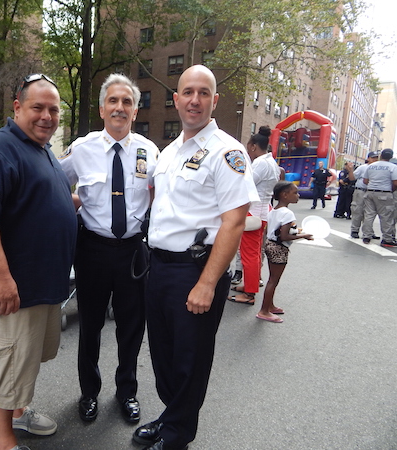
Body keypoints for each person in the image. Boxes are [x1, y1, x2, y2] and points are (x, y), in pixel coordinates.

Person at [133, 65, 258, 450]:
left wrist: (206, 282)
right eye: (188, 92)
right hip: (160, 268)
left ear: (214, 100)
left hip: (196, 269)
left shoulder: (227, 152)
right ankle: (172, 416)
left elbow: (234, 222)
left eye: (204, 93)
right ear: (176, 99)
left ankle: (177, 436)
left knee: (190, 359)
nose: (195, 100)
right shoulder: (169, 152)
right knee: (164, 354)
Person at [0, 74, 77, 450]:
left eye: (53, 110)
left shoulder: (41, 150)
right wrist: (0, 277)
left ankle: (18, 413)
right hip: (11, 288)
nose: (47, 116)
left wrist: (67, 204)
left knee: (23, 361)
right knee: (3, 364)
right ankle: (3, 440)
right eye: (37, 108)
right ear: (17, 107)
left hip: (41, 286)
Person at [59, 73, 158, 424]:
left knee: (132, 327)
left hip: (133, 250)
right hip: (92, 249)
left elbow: (159, 197)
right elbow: (55, 184)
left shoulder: (150, 151)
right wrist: (78, 203)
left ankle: (126, 392)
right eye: (113, 101)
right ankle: (89, 392)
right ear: (102, 109)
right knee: (90, 325)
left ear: (135, 110)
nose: (119, 107)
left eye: (127, 102)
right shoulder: (82, 149)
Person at [227, 125, 280, 305]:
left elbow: (245, 185)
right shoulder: (271, 163)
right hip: (263, 210)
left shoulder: (259, 163)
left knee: (249, 254)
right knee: (255, 253)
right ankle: (250, 285)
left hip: (253, 212)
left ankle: (249, 293)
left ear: (252, 146)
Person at [258, 181, 313, 323]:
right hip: (279, 248)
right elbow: (284, 236)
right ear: (284, 195)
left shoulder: (273, 211)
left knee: (272, 278)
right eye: (295, 192)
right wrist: (304, 236)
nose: (298, 195)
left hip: (270, 245)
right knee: (273, 280)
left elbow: (272, 230)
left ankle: (270, 305)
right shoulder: (288, 213)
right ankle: (264, 311)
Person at [361, 148, 397, 247]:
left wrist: (373, 185)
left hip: (370, 192)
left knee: (369, 215)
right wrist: (391, 189)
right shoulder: (393, 167)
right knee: (386, 217)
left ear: (381, 155)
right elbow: (395, 182)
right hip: (385, 193)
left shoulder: (371, 166)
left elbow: (365, 181)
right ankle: (387, 239)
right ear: (391, 157)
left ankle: (366, 236)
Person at [348, 152, 379, 239]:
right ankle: (354, 230)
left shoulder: (377, 168)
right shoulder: (363, 167)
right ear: (368, 158)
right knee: (358, 210)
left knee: (370, 213)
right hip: (361, 191)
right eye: (373, 158)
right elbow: (352, 178)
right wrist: (350, 170)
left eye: (376, 158)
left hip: (371, 191)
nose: (375, 160)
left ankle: (368, 232)